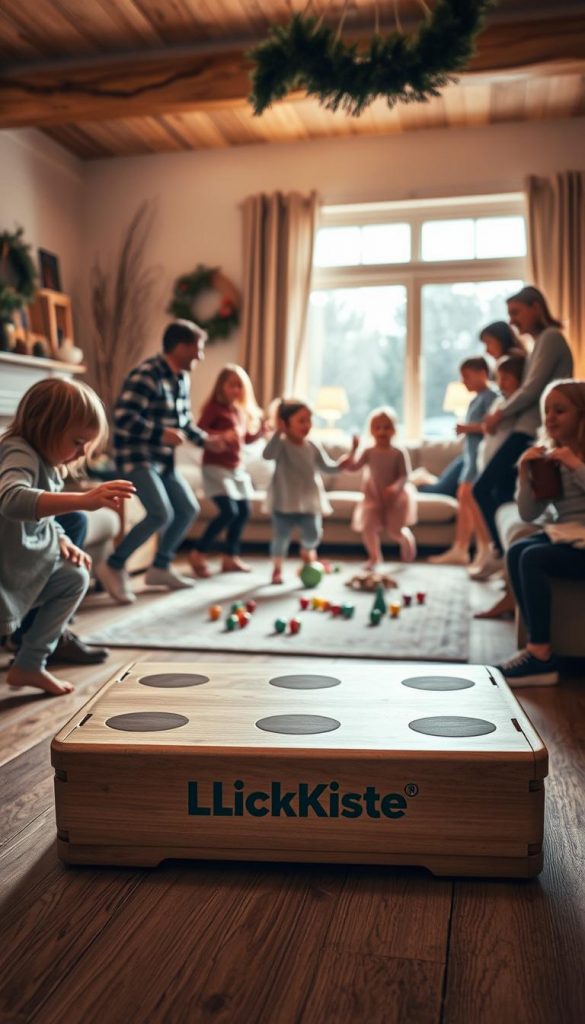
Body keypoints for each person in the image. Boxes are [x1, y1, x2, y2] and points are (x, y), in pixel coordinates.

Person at [0, 379, 135, 696]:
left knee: (75, 577)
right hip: (6, 568)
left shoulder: (47, 462)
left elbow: (41, 515)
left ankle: (29, 664)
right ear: (43, 427)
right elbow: (12, 499)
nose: (83, 452)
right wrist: (83, 500)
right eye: (77, 441)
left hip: (22, 562)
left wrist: (60, 538)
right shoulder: (18, 451)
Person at [95, 320, 233, 604]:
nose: (200, 355)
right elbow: (122, 418)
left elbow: (183, 423)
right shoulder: (147, 374)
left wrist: (207, 440)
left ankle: (159, 568)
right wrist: (160, 434)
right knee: (160, 513)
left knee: (187, 509)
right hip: (135, 457)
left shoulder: (181, 377)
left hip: (163, 461)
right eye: (198, 348)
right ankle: (114, 565)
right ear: (181, 347)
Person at [472, 286, 573, 578]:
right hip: (528, 428)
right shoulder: (540, 342)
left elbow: (533, 388)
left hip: (530, 431)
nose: (512, 321)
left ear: (536, 308)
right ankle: (505, 562)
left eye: (516, 312)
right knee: (501, 490)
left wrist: (499, 413)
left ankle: (503, 559)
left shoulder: (551, 338)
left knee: (482, 488)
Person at [496, 380, 585, 687]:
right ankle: (537, 649)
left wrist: (575, 464)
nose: (550, 417)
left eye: (560, 410)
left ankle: (540, 654)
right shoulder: (553, 458)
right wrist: (525, 475)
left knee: (533, 557)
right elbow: (529, 514)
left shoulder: (573, 459)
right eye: (547, 410)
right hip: (570, 535)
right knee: (518, 550)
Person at [263, 398, 357, 585]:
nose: (307, 425)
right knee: (280, 539)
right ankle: (277, 569)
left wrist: (344, 462)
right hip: (284, 502)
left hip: (309, 502)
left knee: (314, 533)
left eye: (309, 420)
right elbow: (267, 455)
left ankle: (307, 552)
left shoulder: (312, 446)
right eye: (301, 420)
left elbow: (328, 467)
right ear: (286, 424)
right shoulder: (281, 444)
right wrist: (277, 433)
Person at [187, 365, 264, 577]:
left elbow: (244, 439)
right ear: (221, 386)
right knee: (229, 511)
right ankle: (198, 552)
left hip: (235, 468)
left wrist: (259, 434)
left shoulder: (238, 412)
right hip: (216, 467)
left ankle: (231, 557)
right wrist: (220, 435)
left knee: (244, 510)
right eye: (232, 385)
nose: (236, 390)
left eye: (240, 386)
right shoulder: (213, 408)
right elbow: (199, 432)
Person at [429, 357, 497, 566]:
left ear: (482, 373)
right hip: (470, 457)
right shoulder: (476, 399)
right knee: (463, 497)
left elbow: (492, 426)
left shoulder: (491, 397)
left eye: (466, 376)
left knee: (470, 497)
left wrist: (466, 428)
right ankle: (462, 547)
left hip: (480, 458)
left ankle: (485, 548)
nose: (463, 381)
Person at [343, 406, 417, 567]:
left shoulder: (398, 452)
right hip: (373, 497)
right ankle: (375, 557)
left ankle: (407, 543)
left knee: (395, 531)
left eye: (387, 427)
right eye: (378, 428)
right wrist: (354, 449)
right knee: (368, 527)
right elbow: (352, 468)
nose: (382, 432)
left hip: (395, 499)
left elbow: (405, 476)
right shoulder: (368, 451)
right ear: (371, 430)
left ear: (394, 430)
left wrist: (395, 487)